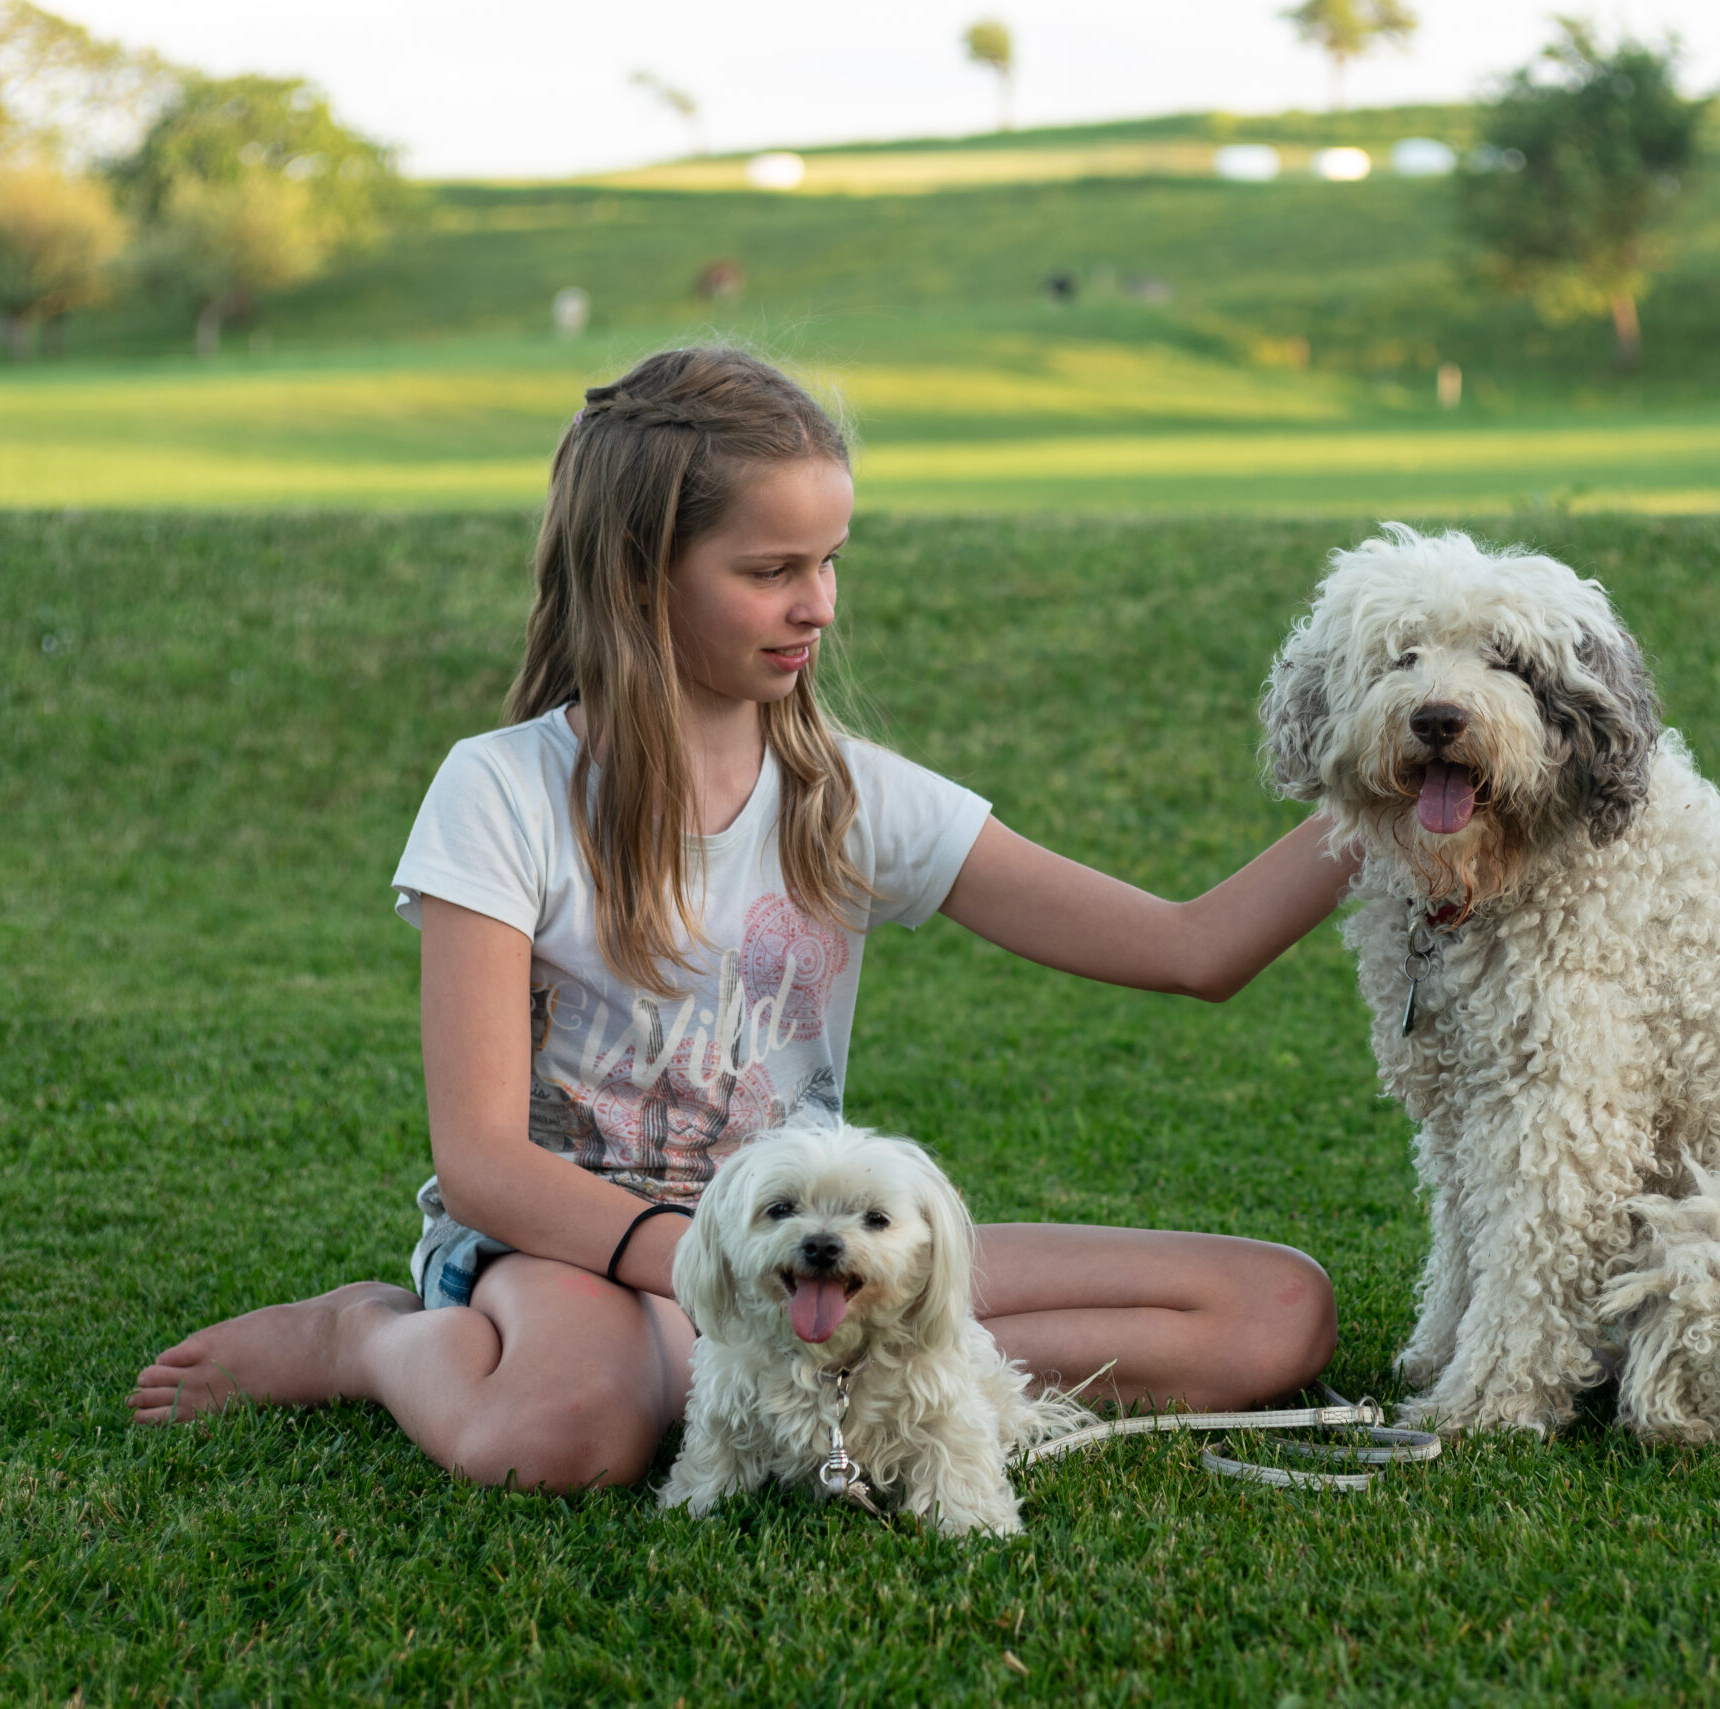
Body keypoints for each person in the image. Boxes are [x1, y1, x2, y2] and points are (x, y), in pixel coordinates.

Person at [127, 347, 1356, 1492]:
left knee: (1272, 1314)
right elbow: (484, 1160)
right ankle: (370, 1336)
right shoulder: (500, 790)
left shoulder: (852, 795)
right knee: (563, 1435)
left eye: (828, 560)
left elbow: (1192, 949)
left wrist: (1407, 792)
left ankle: (821, 1379)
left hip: (809, 1252)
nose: (816, 604)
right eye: (769, 570)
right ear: (634, 572)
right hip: (568, 1249)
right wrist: (710, 1277)